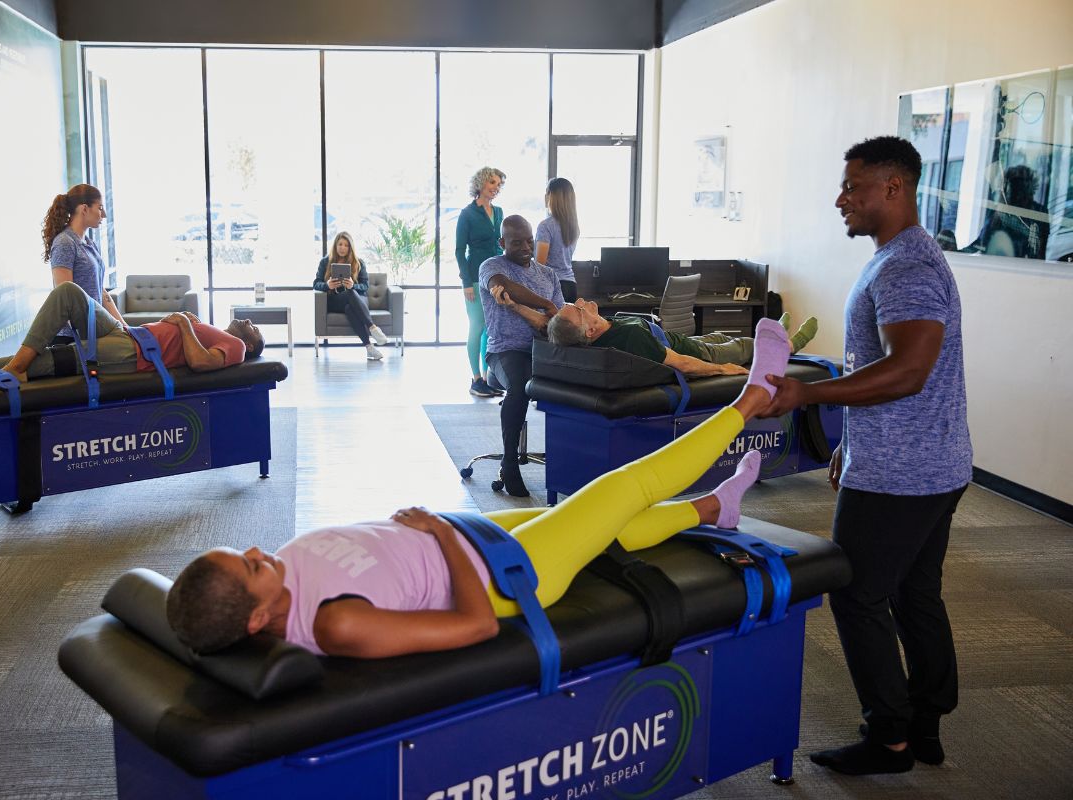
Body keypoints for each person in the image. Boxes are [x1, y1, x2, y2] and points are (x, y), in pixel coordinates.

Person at [166, 317, 794, 658]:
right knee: (624, 488)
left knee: (611, 527)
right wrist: (439, 532)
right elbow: (475, 628)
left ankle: (712, 508)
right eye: (251, 566)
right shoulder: (336, 626)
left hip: (476, 537)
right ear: (257, 619)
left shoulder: (282, 574)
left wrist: (441, 532)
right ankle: (752, 399)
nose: (259, 551)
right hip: (511, 579)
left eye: (243, 551)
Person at [762, 136, 972, 776]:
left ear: (893, 187)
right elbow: (895, 369)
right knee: (915, 594)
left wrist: (806, 394)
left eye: (853, 187)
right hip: (934, 463)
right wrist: (849, 442)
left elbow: (907, 371)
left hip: (899, 476)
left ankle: (890, 739)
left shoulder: (906, 268)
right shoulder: (905, 257)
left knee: (856, 595)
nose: (840, 199)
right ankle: (926, 724)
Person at [0, 281, 264, 384]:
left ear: (249, 345)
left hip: (133, 356)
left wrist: (183, 323)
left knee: (47, 361)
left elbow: (200, 364)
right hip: (129, 335)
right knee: (68, 293)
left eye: (253, 328)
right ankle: (16, 367)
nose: (248, 321)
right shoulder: (222, 333)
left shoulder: (235, 347)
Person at [479, 215, 565, 498]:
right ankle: (510, 461)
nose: (526, 247)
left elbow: (559, 321)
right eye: (517, 243)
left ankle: (573, 458)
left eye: (529, 241)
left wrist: (547, 312)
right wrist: (545, 304)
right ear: (502, 242)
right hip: (505, 351)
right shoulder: (492, 267)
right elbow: (506, 287)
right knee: (520, 385)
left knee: (581, 381)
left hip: (545, 350)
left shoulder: (548, 275)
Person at [547, 299, 819, 377]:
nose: (581, 302)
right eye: (578, 309)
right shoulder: (629, 338)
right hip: (693, 353)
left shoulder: (604, 328)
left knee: (720, 335)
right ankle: (788, 345)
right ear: (589, 332)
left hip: (685, 340)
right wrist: (723, 369)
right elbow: (682, 364)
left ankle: (777, 335)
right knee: (742, 346)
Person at [42, 184, 125, 344]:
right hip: (71, 337)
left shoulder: (89, 243)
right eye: (100, 208)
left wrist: (123, 326)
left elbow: (100, 291)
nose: (104, 214)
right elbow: (65, 296)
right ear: (84, 209)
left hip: (91, 332)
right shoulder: (65, 242)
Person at [456, 167, 507, 398]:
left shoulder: (499, 212)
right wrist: (466, 282)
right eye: (492, 183)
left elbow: (500, 245)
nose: (496, 187)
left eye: (499, 184)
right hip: (475, 278)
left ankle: (486, 379)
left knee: (489, 327)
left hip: (495, 276)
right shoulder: (467, 214)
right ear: (481, 183)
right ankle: (475, 379)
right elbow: (459, 251)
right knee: (477, 326)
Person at [313, 232, 389, 361]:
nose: (342, 248)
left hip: (356, 299)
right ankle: (373, 328)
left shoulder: (359, 262)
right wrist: (327, 285)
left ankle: (369, 348)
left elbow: (365, 286)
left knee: (349, 305)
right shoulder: (325, 261)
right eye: (340, 244)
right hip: (335, 300)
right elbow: (316, 284)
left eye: (346, 245)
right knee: (349, 293)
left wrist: (353, 285)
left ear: (350, 247)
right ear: (335, 245)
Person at [535, 177, 580, 303]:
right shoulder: (573, 226)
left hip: (553, 286)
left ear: (551, 196)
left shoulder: (545, 226)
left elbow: (540, 265)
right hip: (571, 285)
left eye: (547, 192)